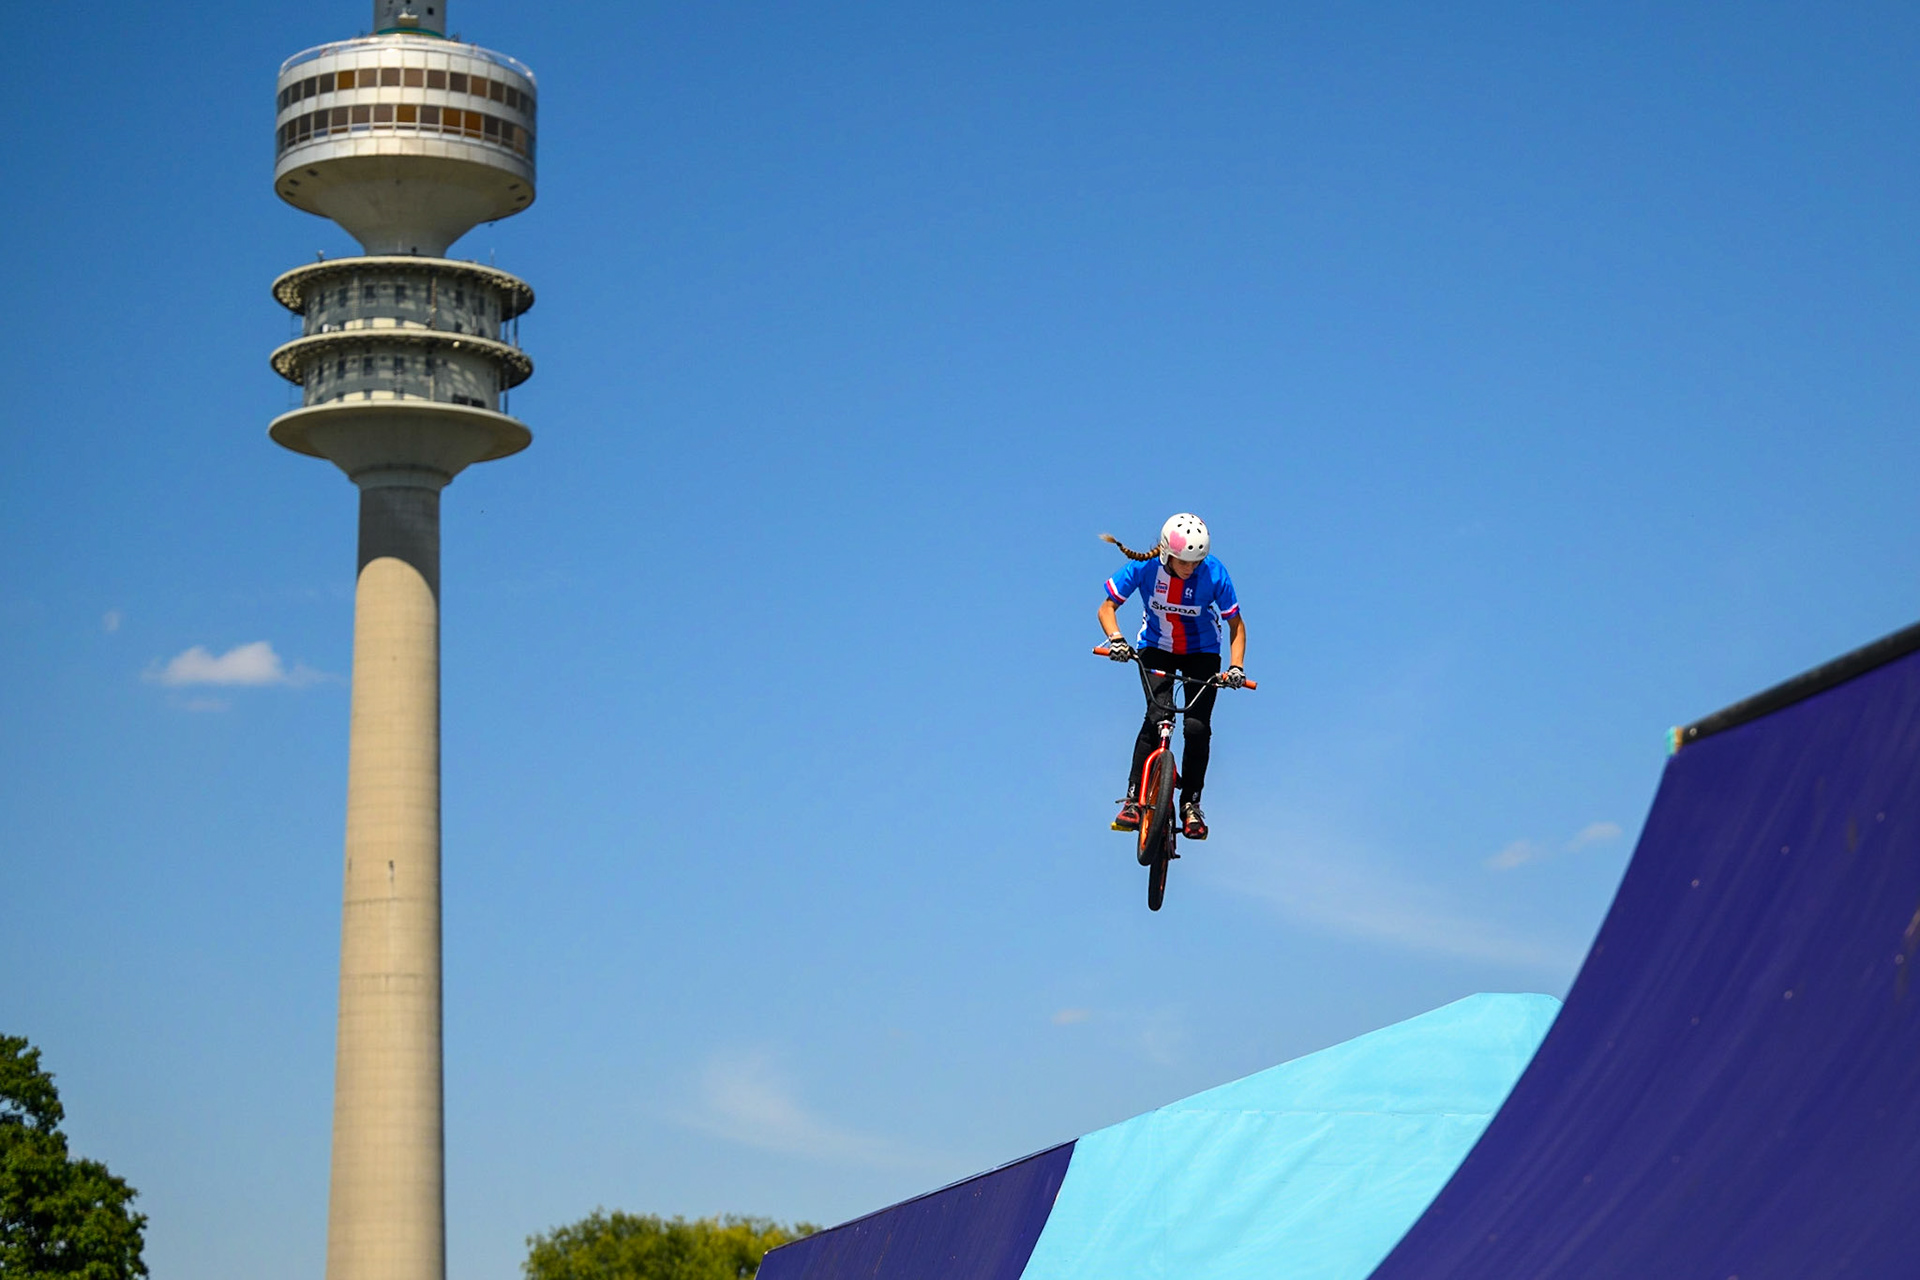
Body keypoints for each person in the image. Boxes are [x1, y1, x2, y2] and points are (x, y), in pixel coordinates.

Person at [1097, 513, 1246, 840]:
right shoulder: (1144, 569)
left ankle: (1191, 803)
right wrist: (1118, 640)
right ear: (1166, 553)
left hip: (1203, 653)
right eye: (1184, 562)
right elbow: (1106, 608)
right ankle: (1134, 799)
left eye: (1197, 561)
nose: (1190, 568)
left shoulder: (1214, 573)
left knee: (1196, 727)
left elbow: (1236, 625)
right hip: (1156, 648)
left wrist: (1236, 667)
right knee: (1157, 715)